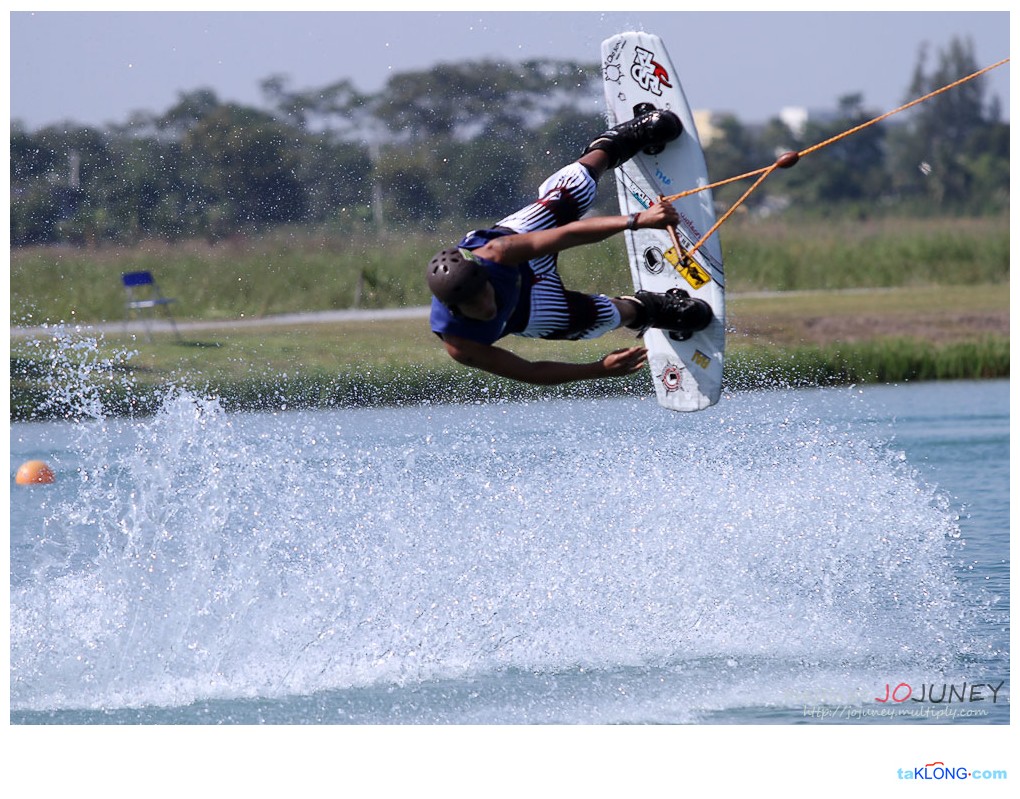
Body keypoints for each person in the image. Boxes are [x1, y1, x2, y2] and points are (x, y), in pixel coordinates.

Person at [426, 108, 713, 386]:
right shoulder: (460, 342)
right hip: (525, 310)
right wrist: (599, 369)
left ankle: (617, 142)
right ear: (454, 309)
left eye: (484, 294)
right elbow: (531, 371)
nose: (486, 307)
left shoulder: (498, 253)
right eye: (474, 306)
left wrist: (637, 220)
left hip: (521, 254)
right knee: (600, 318)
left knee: (570, 194)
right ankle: (648, 309)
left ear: (486, 277)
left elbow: (568, 235)